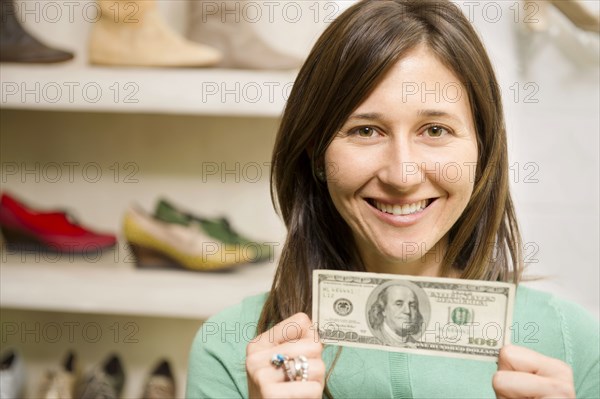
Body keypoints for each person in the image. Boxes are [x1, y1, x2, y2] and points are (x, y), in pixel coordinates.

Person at [186, 1, 600, 398]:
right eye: (366, 131)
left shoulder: (573, 343)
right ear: (315, 152)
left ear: (482, 149)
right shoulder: (232, 351)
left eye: (435, 130)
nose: (402, 175)